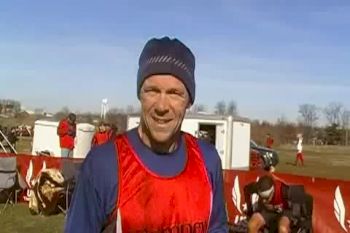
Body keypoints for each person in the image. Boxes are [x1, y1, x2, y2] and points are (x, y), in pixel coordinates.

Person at [65, 37, 228, 232]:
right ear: (139, 95)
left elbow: (217, 227)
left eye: (174, 93)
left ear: (189, 101)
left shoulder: (207, 160)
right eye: (152, 91)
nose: (161, 106)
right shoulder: (103, 165)